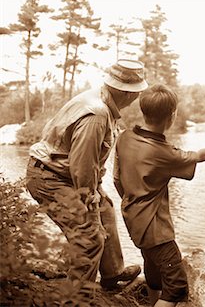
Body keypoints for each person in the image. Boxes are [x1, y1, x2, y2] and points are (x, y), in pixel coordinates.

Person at [25, 59, 148, 289]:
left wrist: (97, 193)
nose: (137, 97)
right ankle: (79, 299)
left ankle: (111, 275)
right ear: (126, 93)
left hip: (60, 172)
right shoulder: (97, 115)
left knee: (106, 209)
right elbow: (81, 168)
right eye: (137, 92)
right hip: (49, 178)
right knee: (89, 238)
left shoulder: (100, 100)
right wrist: (89, 198)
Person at [114, 83, 205, 306]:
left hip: (132, 218)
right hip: (156, 230)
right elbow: (196, 156)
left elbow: (116, 178)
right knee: (176, 285)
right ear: (171, 117)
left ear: (143, 111)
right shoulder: (163, 153)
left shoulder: (125, 137)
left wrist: (130, 199)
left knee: (153, 270)